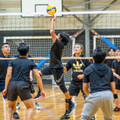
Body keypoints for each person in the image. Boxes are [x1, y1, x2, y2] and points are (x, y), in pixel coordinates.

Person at [39, 15, 75, 119]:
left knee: (62, 87)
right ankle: (38, 92)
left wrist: (52, 21)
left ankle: (70, 103)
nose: (56, 34)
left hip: (57, 70)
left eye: (58, 34)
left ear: (60, 38)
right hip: (52, 66)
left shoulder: (59, 44)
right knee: (38, 73)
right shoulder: (58, 44)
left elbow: (51, 32)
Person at [2, 44, 46, 120]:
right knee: (30, 107)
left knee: (10, 107)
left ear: (18, 52)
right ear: (27, 53)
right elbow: (38, 76)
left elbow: (8, 74)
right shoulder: (31, 63)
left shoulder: (12, 62)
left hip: (12, 85)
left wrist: (5, 88)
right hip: (23, 85)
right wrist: (41, 90)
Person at [62, 43, 95, 119]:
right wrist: (63, 67)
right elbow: (66, 70)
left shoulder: (85, 59)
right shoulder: (71, 59)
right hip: (74, 82)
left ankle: (92, 115)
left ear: (81, 50)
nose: (75, 48)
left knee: (87, 98)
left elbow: (91, 69)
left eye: (78, 47)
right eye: (75, 47)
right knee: (67, 98)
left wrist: (83, 75)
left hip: (84, 82)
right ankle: (67, 114)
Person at [81, 46, 115, 120]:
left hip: (94, 94)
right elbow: (113, 89)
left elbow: (84, 89)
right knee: (108, 118)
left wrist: (90, 96)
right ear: (104, 58)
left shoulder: (88, 69)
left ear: (93, 58)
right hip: (108, 95)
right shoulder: (109, 70)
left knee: (85, 117)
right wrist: (107, 96)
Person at [14, 43, 41, 110]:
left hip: (27, 76)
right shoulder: (16, 56)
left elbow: (31, 67)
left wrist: (30, 75)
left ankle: (36, 103)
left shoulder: (29, 56)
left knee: (32, 91)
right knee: (17, 91)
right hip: (18, 77)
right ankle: (17, 103)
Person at [0, 43, 20, 119]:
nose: (8, 48)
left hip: (7, 82)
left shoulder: (11, 59)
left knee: (11, 98)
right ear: (2, 49)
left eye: (8, 46)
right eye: (5, 46)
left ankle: (15, 112)